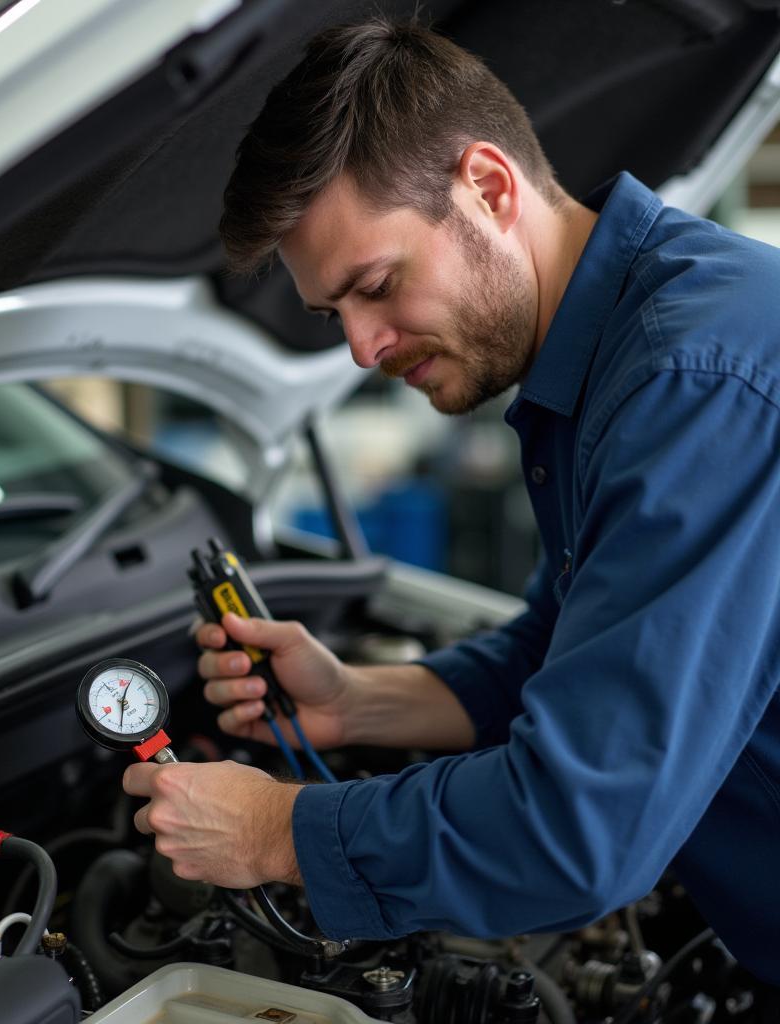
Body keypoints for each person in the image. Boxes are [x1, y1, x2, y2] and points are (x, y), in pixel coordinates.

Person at [122, 18, 780, 988]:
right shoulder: (612, 356)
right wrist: (356, 701)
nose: (359, 348)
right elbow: (559, 650)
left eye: (377, 285)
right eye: (331, 314)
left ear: (488, 187)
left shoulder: (691, 383)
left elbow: (576, 830)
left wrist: (278, 829)